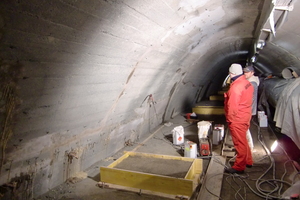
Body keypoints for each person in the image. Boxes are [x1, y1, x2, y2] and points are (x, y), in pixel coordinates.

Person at [224, 63, 254, 174]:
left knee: (239, 143)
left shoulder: (236, 87)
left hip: (237, 119)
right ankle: (248, 161)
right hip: (245, 115)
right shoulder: (247, 83)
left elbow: (232, 106)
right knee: (243, 140)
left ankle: (239, 167)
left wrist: (230, 120)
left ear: (232, 73)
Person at [243, 65, 260, 152]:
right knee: (245, 128)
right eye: (244, 72)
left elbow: (248, 97)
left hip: (248, 109)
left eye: (247, 72)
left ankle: (249, 147)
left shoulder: (252, 83)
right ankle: (248, 146)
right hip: (249, 109)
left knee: (245, 128)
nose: (245, 73)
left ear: (252, 72)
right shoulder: (250, 81)